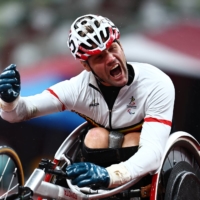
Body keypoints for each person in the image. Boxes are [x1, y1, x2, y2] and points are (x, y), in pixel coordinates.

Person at [0, 14, 175, 189]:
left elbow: (153, 152)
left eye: (113, 48)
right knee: (95, 136)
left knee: (132, 139)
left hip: (140, 171)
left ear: (121, 45)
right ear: (86, 65)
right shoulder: (78, 88)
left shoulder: (156, 83)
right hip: (96, 160)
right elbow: (21, 112)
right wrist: (9, 100)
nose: (111, 59)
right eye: (99, 57)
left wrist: (111, 175)